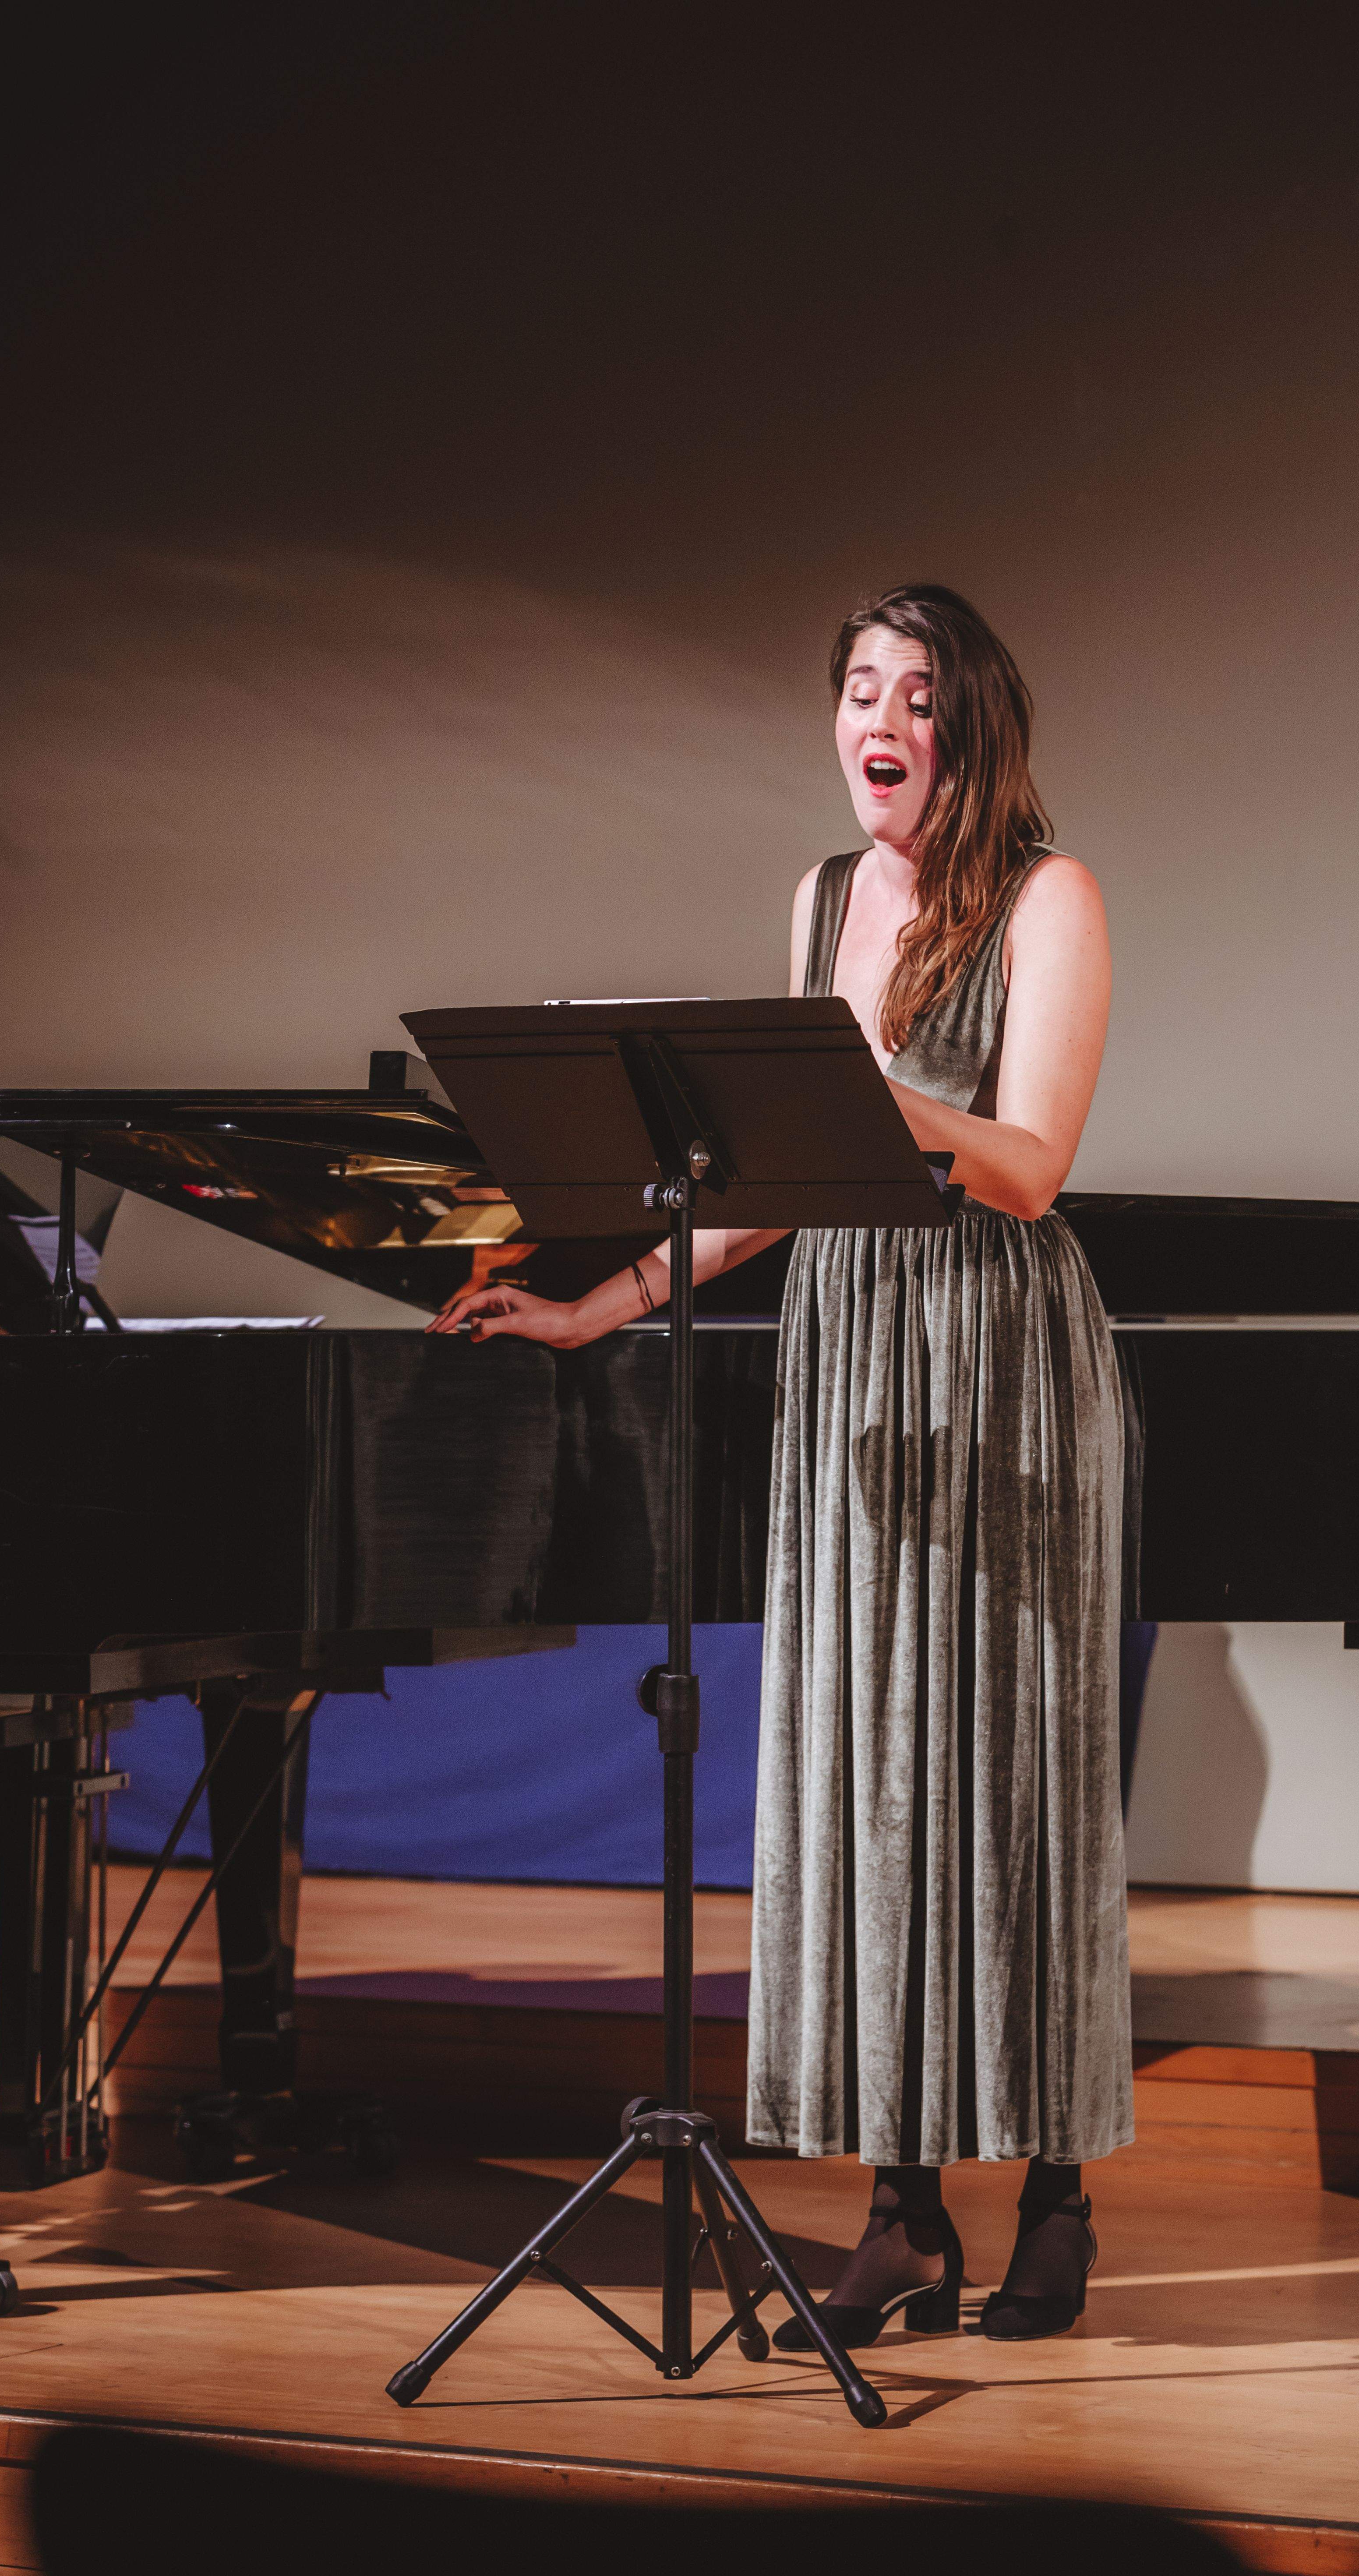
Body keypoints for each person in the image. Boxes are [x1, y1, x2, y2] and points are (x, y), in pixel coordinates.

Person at [430, 582, 1131, 2343]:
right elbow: (765, 1184)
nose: (880, 719)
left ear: (970, 726)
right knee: (869, 1765)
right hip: (847, 1349)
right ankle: (903, 2210)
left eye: (917, 692)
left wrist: (879, 1092)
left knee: (1002, 1758)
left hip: (993, 1354)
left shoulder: (1054, 894)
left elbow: (1033, 1163)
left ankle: (1054, 2192)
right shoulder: (826, 896)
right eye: (858, 690)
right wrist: (596, 1309)